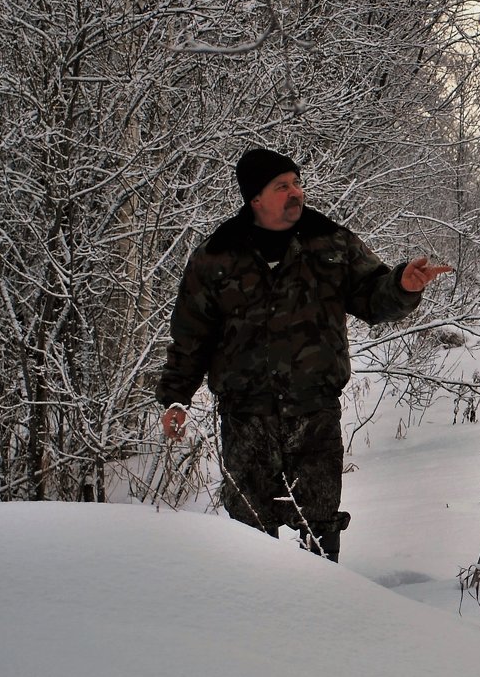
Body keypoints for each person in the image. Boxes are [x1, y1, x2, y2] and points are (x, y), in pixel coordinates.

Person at [156, 147, 451, 562]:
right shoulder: (217, 256)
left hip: (314, 412)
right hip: (245, 418)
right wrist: (176, 396)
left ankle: (319, 614)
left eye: (297, 183)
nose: (296, 192)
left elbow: (372, 297)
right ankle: (259, 615)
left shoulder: (330, 243)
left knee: (319, 523)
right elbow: (191, 336)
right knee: (250, 529)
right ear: (255, 198)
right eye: (282, 186)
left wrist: (403, 286)